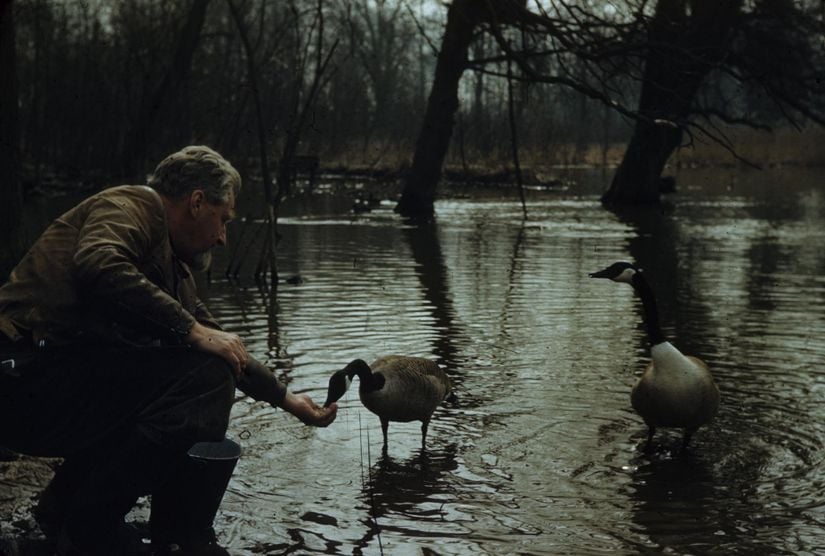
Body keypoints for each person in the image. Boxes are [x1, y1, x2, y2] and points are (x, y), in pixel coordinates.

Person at [0, 145, 337, 555]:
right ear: (197, 202)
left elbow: (225, 350)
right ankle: (90, 527)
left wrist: (290, 401)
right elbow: (99, 264)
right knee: (205, 383)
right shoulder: (131, 205)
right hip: (21, 380)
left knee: (202, 374)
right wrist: (188, 329)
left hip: (54, 386)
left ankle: (62, 512)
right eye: (223, 220)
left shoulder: (172, 269)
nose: (223, 236)